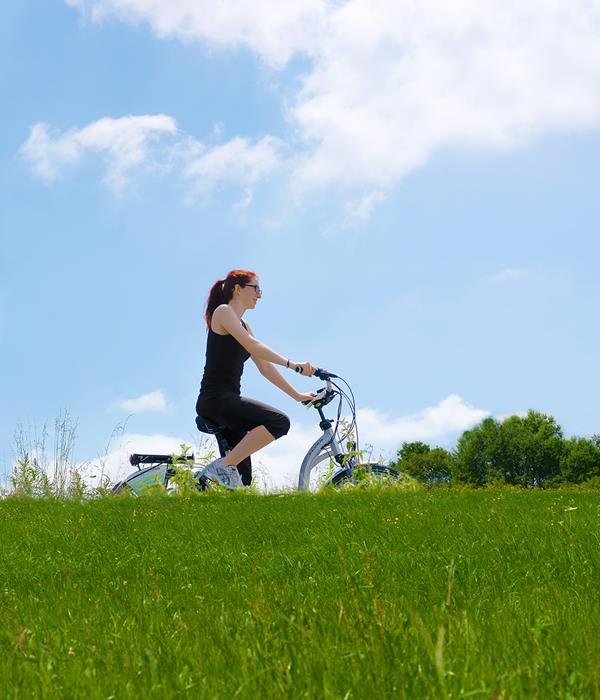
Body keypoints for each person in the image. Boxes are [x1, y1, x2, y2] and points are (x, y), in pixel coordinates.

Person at [195, 269, 316, 489]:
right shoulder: (223, 312)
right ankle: (220, 467)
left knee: (243, 483)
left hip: (228, 403)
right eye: (256, 288)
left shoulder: (245, 326)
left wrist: (298, 396)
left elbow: (265, 367)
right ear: (238, 289)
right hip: (216, 401)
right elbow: (253, 347)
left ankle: (207, 482)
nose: (259, 294)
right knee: (278, 422)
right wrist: (293, 365)